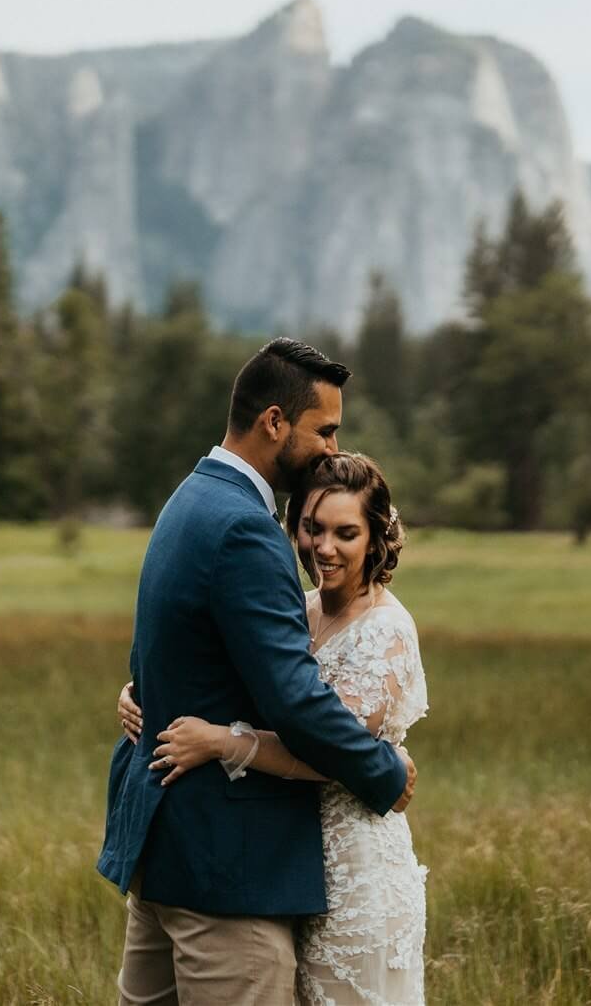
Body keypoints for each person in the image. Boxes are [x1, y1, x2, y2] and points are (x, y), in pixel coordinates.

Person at [97, 339, 417, 1006]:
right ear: (275, 422)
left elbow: (173, 650)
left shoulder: (188, 499)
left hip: (168, 846)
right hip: (226, 863)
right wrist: (383, 770)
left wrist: (142, 695)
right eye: (324, 429)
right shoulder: (245, 527)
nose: (333, 448)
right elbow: (296, 700)